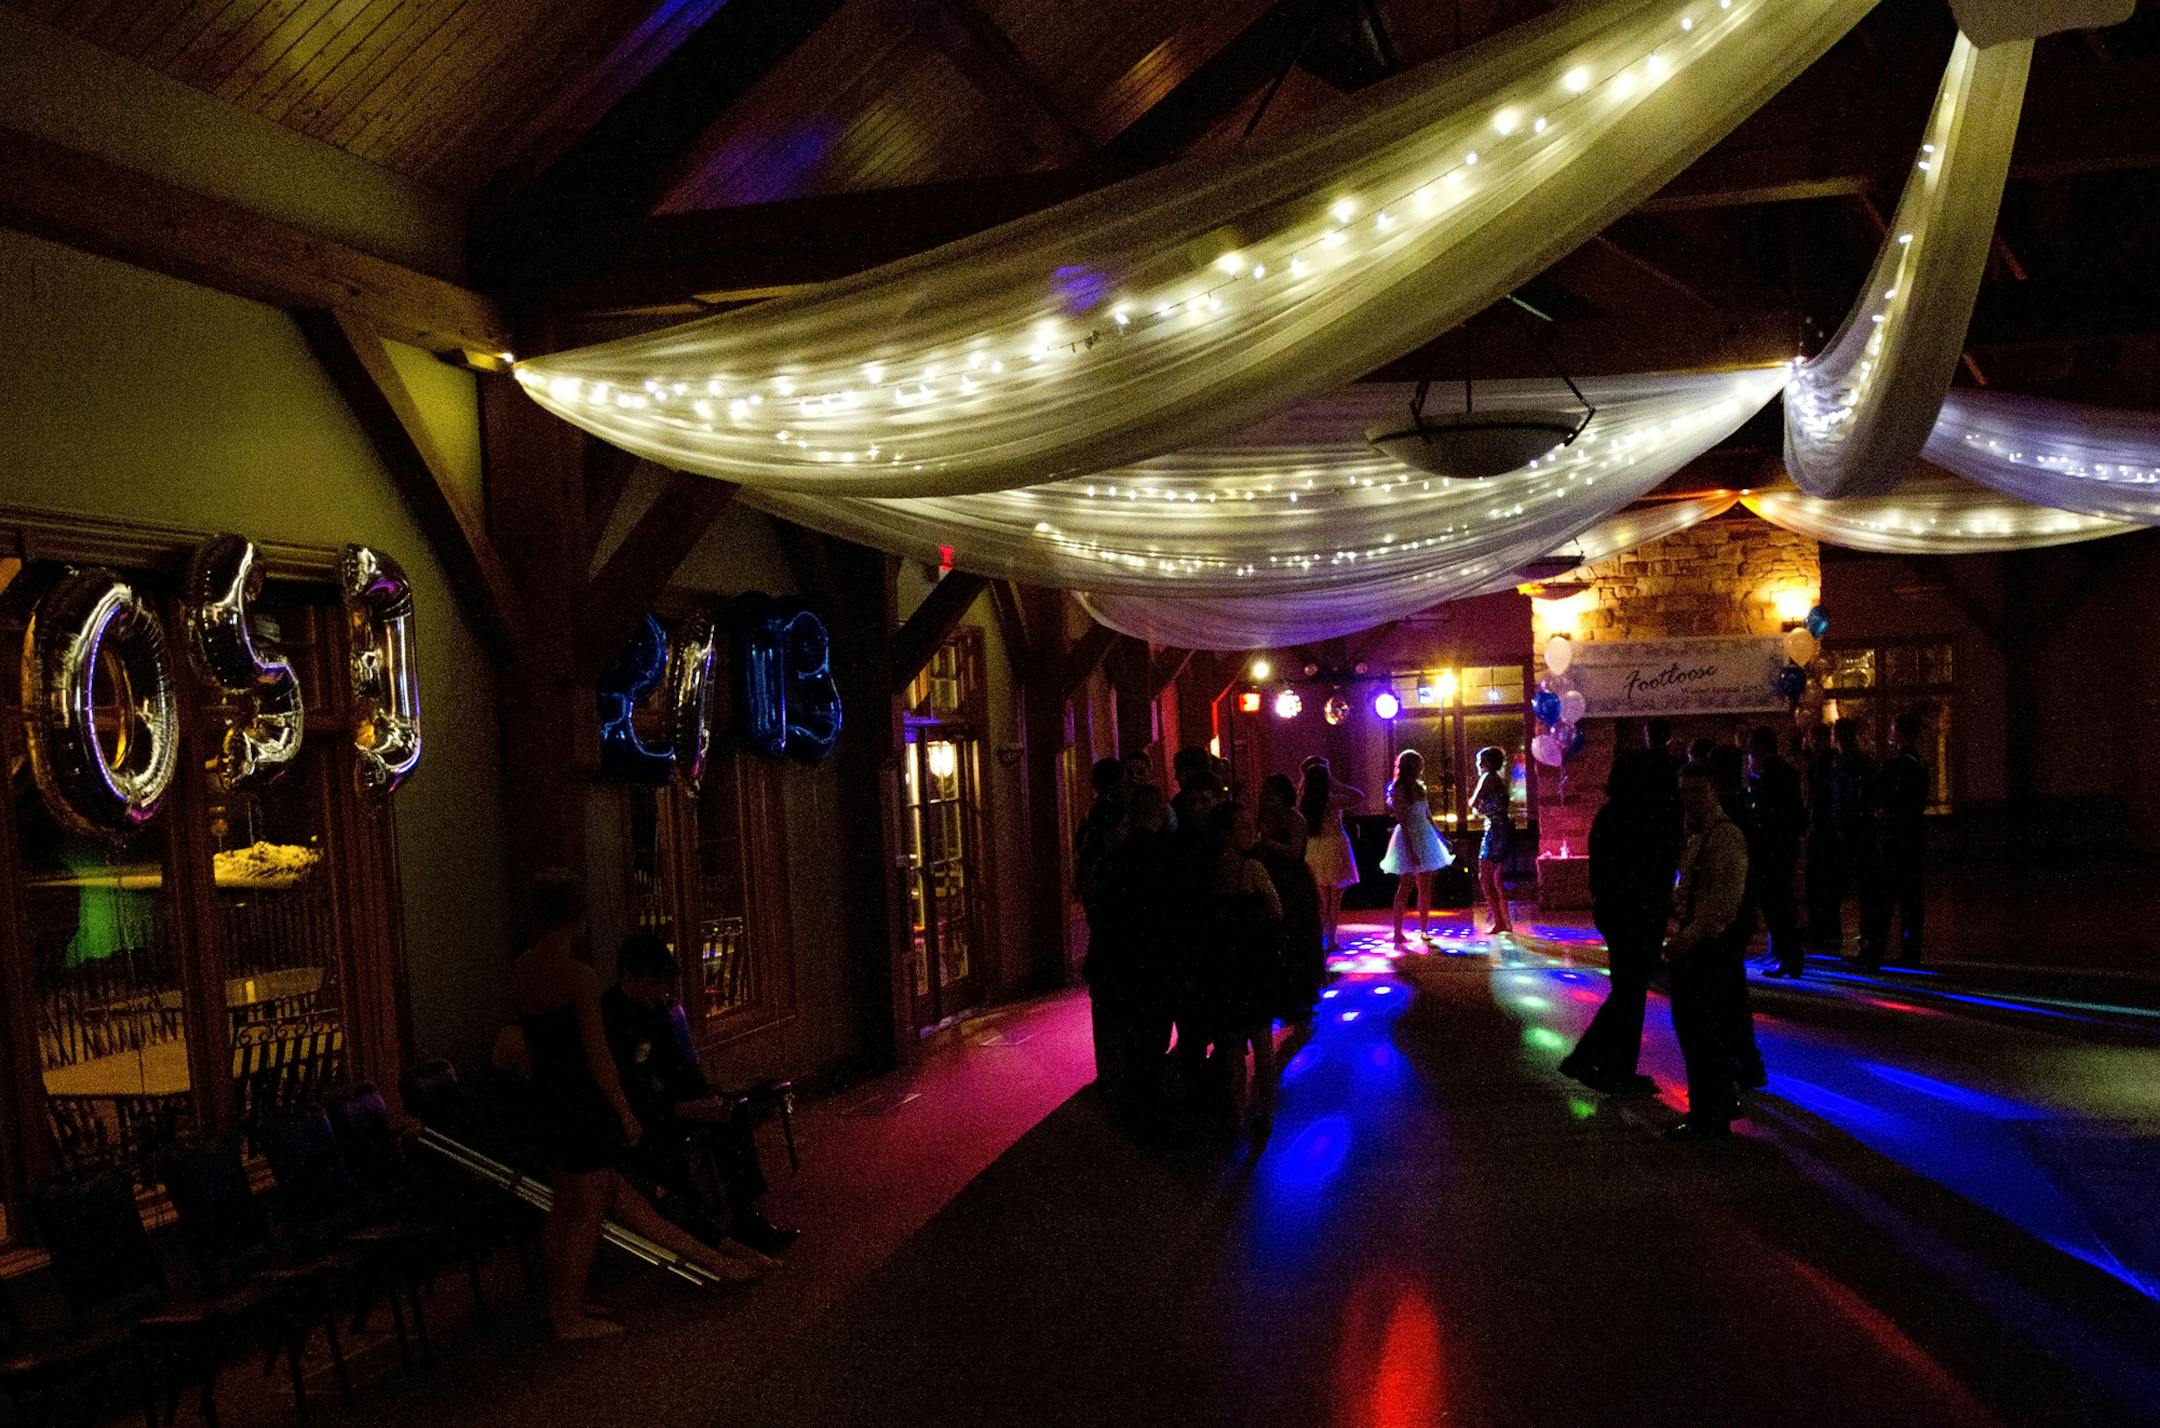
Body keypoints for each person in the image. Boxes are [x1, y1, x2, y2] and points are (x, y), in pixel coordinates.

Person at [506, 873, 767, 1340]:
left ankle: (561, 1301)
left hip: (546, 1102)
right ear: (576, 919)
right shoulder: (579, 977)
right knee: (585, 1213)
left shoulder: (522, 970)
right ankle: (569, 1317)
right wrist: (623, 1112)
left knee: (562, 1208)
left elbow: (523, 1042)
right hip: (581, 1103)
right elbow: (599, 1057)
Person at [603, 934, 797, 1255]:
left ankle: (746, 1216)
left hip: (668, 1102)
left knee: (731, 1117)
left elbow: (678, 1066)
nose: (661, 994)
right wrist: (682, 1108)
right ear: (630, 976)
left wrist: (708, 1099)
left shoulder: (655, 1011)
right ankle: (697, 1228)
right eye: (655, 984)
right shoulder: (610, 1019)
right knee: (666, 1146)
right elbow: (626, 1089)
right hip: (639, 1115)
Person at [1558, 753, 1668, 1096]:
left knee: (1628, 992)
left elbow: (1603, 874)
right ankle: (1597, 1062)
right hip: (1634, 913)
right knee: (1629, 994)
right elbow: (1647, 871)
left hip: (1616, 911)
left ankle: (1610, 1066)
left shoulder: (1610, 816)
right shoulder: (1639, 818)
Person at [1663, 765, 1753, 1141]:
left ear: (1714, 790)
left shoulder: (1724, 836)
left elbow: (1722, 904)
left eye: (1696, 792)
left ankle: (1710, 1118)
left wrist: (1690, 936)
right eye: (1684, 792)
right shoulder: (1697, 835)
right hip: (1696, 946)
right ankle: (1710, 1109)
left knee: (1704, 1036)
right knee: (1696, 1035)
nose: (1689, 800)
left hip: (1709, 951)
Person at [1091, 783, 1175, 1133]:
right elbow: (1174, 913)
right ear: (1159, 815)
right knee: (1152, 1042)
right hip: (1156, 964)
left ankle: (1130, 1110)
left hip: (1118, 963)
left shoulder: (1113, 859)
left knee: (1127, 1040)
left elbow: (1101, 911)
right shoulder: (1167, 857)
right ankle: (1151, 1112)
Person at [1198, 801, 1284, 1135]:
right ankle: (1267, 1110)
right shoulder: (1252, 869)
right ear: (1229, 834)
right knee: (1261, 1040)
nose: (1253, 832)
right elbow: (1277, 911)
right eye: (1245, 827)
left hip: (1221, 963)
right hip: (1251, 962)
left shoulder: (1209, 868)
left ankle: (1235, 1107)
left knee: (1230, 1042)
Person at [1075, 756, 1130, 1084]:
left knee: (1107, 1000)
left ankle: (1109, 1068)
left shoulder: (1088, 822)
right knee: (1114, 999)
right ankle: (1115, 1068)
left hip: (1104, 925)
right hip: (1114, 926)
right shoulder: (1106, 822)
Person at [1862, 710, 1929, 968]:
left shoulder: (1894, 767)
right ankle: (1911, 950)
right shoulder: (1922, 766)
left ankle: (1875, 951)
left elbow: (1873, 794)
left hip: (1892, 840)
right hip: (1914, 837)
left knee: (1883, 898)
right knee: (1911, 900)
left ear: (1899, 733)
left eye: (1893, 729)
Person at [1257, 773, 1325, 1023]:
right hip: (1271, 876)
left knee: (1297, 937)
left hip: (1292, 882)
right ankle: (1282, 996)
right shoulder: (1265, 816)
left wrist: (1268, 842)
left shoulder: (1294, 817)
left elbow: (1296, 852)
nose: (1266, 796)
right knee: (1277, 938)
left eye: (1271, 792)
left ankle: (1299, 997)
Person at [1746, 726, 1808, 977]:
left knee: (1776, 905)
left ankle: (1789, 958)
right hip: (1783, 847)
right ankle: (1789, 957)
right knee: (1781, 904)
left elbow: (1769, 812)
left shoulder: (1769, 774)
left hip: (1772, 848)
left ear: (1760, 748)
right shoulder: (1785, 771)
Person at [1381, 750, 1452, 944]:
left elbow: (1427, 816)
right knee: (1405, 886)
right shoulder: (1398, 790)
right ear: (1412, 766)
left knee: (1425, 886)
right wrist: (1411, 850)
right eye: (1419, 764)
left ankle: (1424, 929)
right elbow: (1403, 822)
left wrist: (1441, 838)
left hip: (1425, 835)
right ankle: (1397, 932)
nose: (1421, 768)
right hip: (1408, 837)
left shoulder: (1420, 788)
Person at [1298, 757, 1364, 950]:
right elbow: (1359, 796)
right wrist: (1336, 783)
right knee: (1334, 899)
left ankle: (1321, 938)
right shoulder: (1332, 801)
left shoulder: (1304, 801)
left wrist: (1305, 778)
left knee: (1321, 899)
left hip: (1314, 849)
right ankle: (1331, 939)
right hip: (1334, 847)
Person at [1831, 718, 1876, 959]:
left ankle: (1865, 943)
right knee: (1863, 891)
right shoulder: (1861, 761)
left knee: (1857, 889)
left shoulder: (1845, 763)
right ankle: (1866, 941)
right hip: (1858, 832)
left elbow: (1846, 800)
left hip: (1851, 833)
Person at [1802, 722, 1843, 951]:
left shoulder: (1825, 764)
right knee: (1821, 880)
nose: (1814, 742)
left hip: (1824, 829)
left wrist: (1813, 826)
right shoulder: (1827, 762)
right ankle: (1824, 926)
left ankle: (1824, 927)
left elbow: (1819, 799)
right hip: (1824, 827)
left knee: (1821, 880)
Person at [1469, 746, 1515, 939]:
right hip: (1502, 829)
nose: (1478, 765)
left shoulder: (1487, 778)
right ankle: (1505, 922)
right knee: (1496, 879)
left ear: (1486, 762)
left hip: (1494, 831)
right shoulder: (1501, 780)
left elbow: (1473, 803)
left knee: (1485, 877)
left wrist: (1477, 806)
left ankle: (1499, 921)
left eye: (1481, 761)